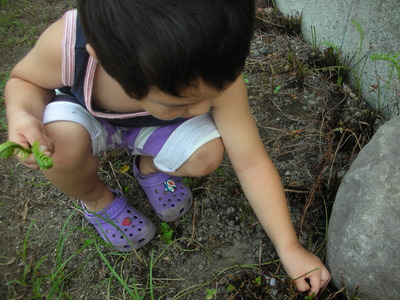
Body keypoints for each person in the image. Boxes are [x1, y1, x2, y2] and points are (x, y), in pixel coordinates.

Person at [4, 0, 330, 295]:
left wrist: (289, 247)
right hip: (83, 117)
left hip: (152, 128)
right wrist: (23, 115)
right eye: (183, 102)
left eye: (211, 96)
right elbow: (24, 81)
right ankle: (97, 201)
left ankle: (151, 165)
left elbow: (251, 162)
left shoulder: (212, 61)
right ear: (110, 62)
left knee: (207, 154)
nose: (204, 110)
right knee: (58, 151)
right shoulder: (65, 46)